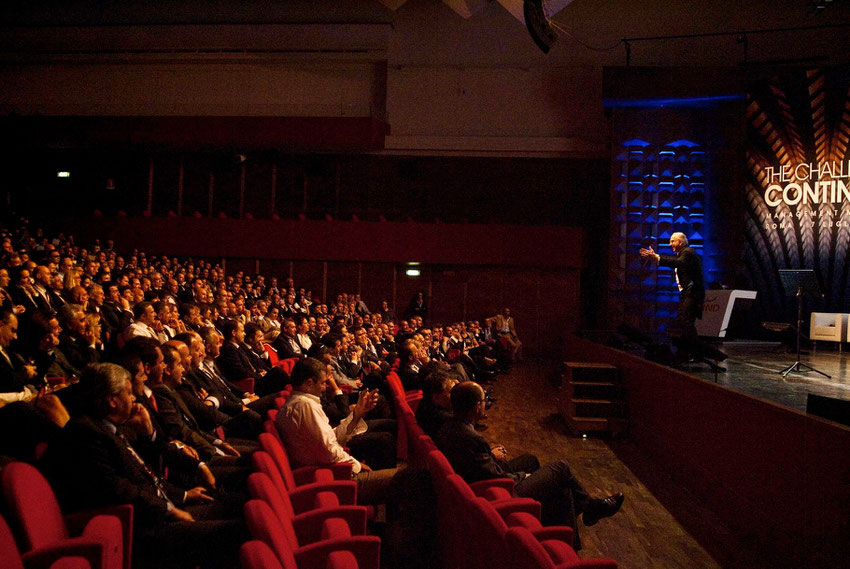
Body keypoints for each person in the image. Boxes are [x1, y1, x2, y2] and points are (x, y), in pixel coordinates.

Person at [41, 362, 247, 569]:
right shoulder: (87, 433)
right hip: (144, 529)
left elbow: (146, 472)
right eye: (128, 393)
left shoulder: (115, 425)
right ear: (112, 400)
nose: (133, 398)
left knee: (242, 505)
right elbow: (118, 489)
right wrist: (170, 509)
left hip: (163, 506)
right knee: (238, 530)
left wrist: (148, 433)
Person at [435, 381, 624, 549]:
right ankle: (590, 509)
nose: (486, 403)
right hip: (499, 491)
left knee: (533, 462)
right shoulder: (472, 438)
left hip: (485, 479)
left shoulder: (449, 426)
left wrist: (490, 455)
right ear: (476, 407)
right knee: (561, 469)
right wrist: (523, 477)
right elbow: (496, 477)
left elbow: (478, 464)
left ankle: (575, 527)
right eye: (484, 400)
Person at [275, 357, 399, 504]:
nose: (325, 387)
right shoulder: (305, 405)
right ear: (309, 383)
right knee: (406, 477)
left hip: (330, 472)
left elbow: (331, 438)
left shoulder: (301, 403)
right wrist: (357, 465)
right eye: (322, 383)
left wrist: (357, 413)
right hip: (332, 478)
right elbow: (329, 451)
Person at [640, 232, 705, 349]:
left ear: (680, 242)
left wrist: (657, 257)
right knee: (682, 322)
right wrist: (656, 257)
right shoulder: (682, 253)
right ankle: (689, 350)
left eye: (672, 241)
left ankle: (697, 350)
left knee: (685, 321)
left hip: (693, 293)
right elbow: (673, 260)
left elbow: (678, 263)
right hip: (687, 293)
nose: (670, 244)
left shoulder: (688, 252)